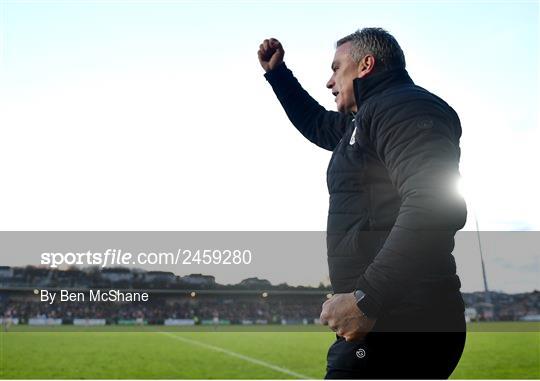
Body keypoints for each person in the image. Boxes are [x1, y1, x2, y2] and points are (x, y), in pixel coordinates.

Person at [258, 28, 468, 379]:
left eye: (336, 68)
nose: (329, 81)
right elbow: (316, 122)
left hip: (402, 322)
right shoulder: (367, 118)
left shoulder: (405, 106)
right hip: (389, 319)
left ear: (366, 65)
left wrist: (367, 297)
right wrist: (278, 74)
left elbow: (433, 204)